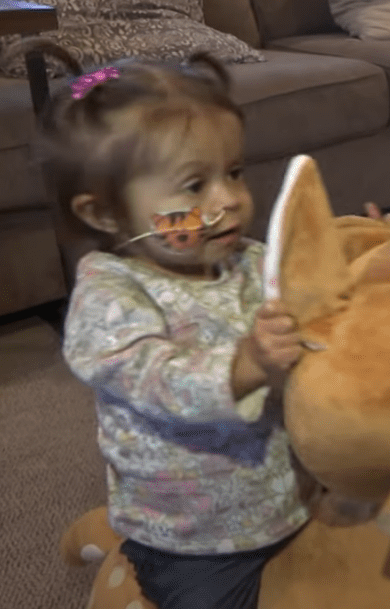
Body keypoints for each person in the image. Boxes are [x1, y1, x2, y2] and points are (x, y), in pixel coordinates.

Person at [37, 48, 309, 609]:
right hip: (192, 536)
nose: (230, 199)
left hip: (293, 492)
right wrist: (244, 365)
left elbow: (311, 283)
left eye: (233, 172)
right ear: (105, 214)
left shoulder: (250, 261)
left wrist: (367, 247)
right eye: (193, 186)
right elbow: (150, 376)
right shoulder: (110, 293)